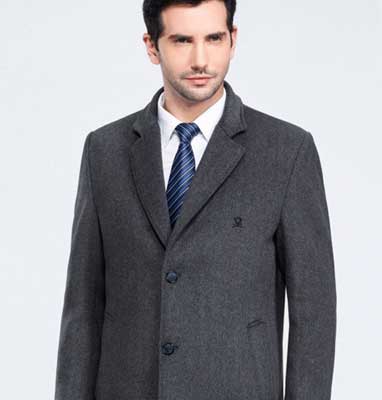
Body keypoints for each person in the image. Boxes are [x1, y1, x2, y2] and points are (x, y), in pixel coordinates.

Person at [54, 1, 337, 399]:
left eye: (214, 38)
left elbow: (314, 314)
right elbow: (82, 309)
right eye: (182, 40)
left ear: (233, 39)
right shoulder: (104, 151)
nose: (201, 59)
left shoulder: (286, 152)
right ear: (152, 46)